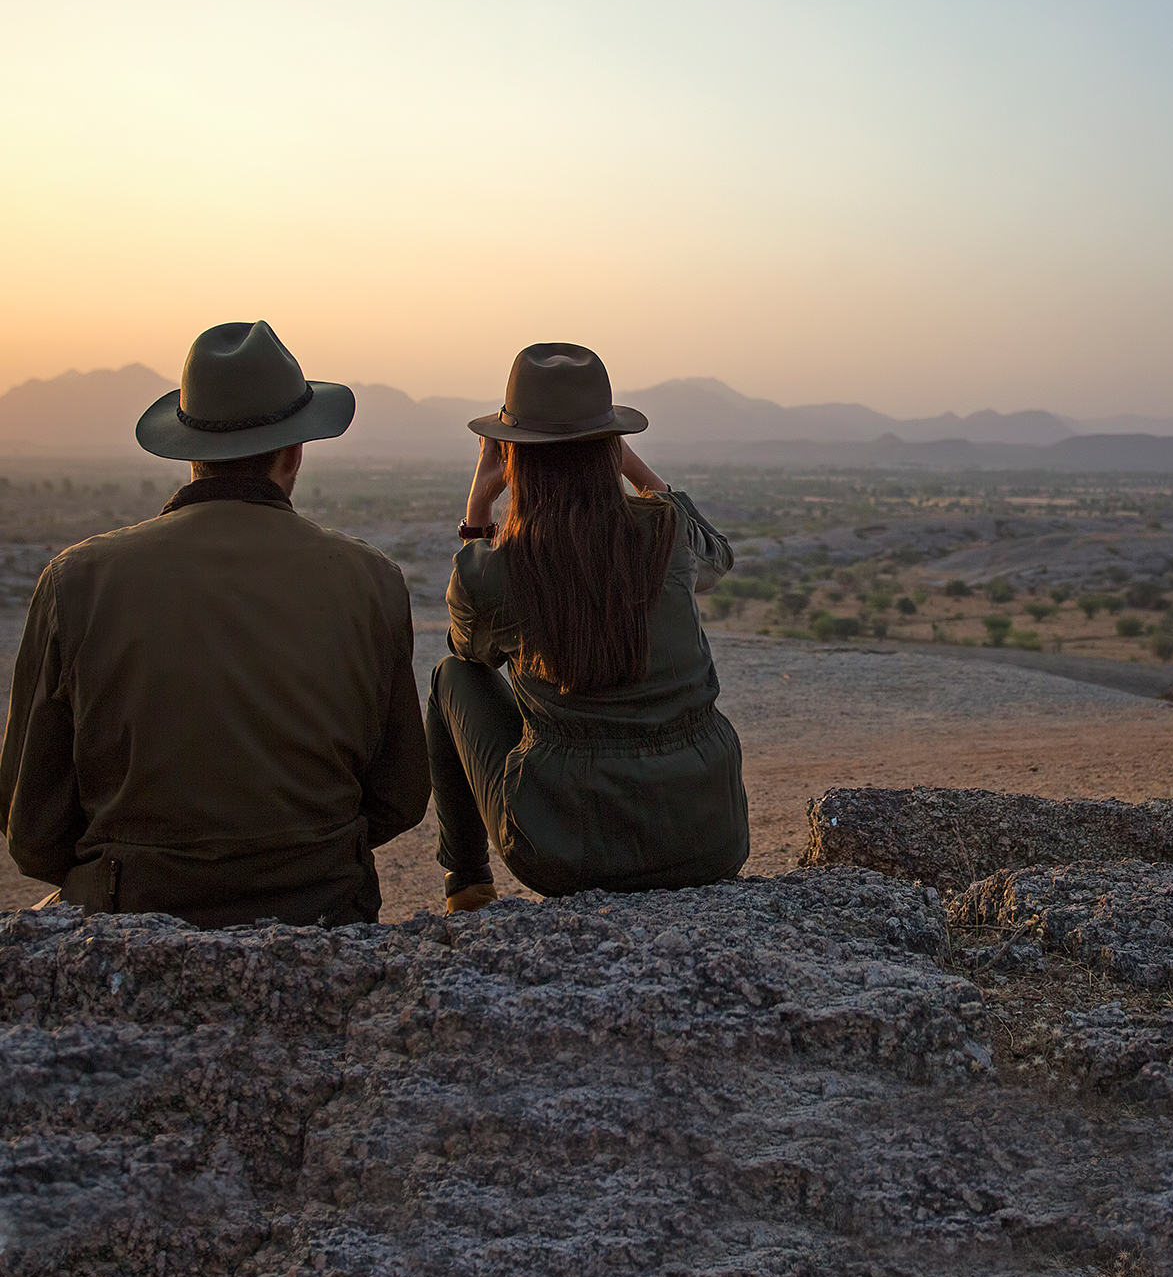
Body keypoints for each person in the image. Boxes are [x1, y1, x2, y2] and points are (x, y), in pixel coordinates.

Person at [0, 321, 430, 928]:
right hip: (323, 908)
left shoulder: (77, 581)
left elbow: (33, 832)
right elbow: (401, 798)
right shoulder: (372, 581)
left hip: (131, 912)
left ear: (189, 449)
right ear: (295, 450)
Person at [426, 342, 750, 910]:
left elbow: (469, 649)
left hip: (564, 851)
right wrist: (633, 466)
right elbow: (718, 558)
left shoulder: (497, 570)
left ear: (511, 456)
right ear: (610, 446)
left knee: (449, 676)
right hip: (709, 837)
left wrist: (478, 509)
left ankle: (468, 883)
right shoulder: (664, 533)